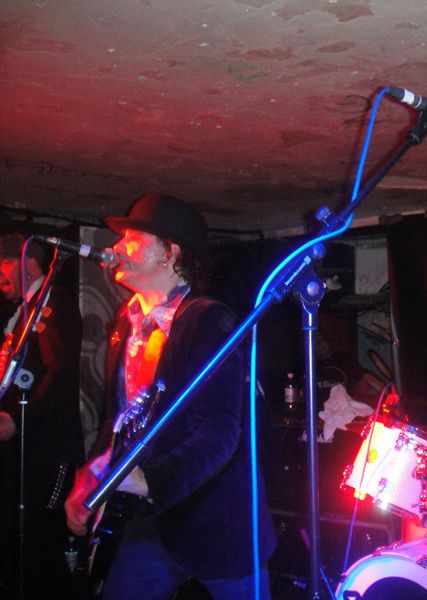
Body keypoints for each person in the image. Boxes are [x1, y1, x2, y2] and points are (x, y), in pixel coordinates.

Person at [64, 193, 275, 599]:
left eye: (131, 240)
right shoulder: (126, 321)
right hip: (145, 521)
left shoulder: (208, 319)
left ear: (168, 253)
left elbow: (219, 434)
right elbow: (122, 418)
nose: (115, 250)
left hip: (214, 515)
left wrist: (151, 481)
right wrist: (93, 476)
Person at [0, 233, 85, 599]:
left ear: (29, 265)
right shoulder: (23, 312)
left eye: (4, 275)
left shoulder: (55, 304)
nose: (1, 285)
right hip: (25, 448)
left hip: (48, 450)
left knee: (43, 533)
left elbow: (59, 372)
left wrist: (17, 419)